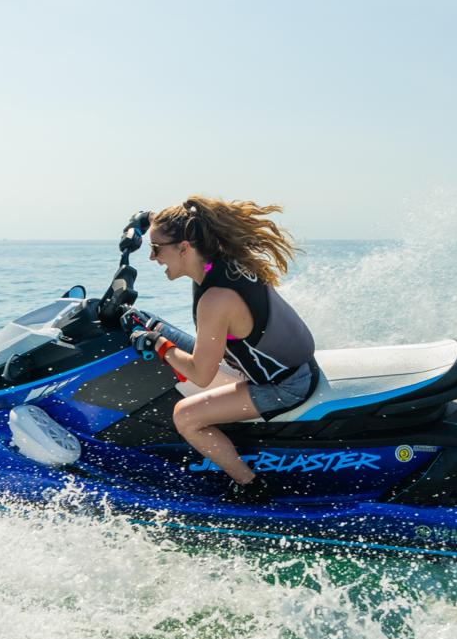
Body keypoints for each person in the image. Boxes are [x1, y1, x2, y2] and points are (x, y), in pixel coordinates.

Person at [132, 196, 319, 503]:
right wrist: (150, 220)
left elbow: (201, 375)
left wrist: (158, 344)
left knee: (185, 417)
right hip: (288, 366)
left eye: (156, 248)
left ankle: (250, 487)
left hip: (285, 386)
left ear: (184, 248)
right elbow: (183, 225)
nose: (153, 257)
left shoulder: (216, 300)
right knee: (162, 332)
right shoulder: (215, 260)